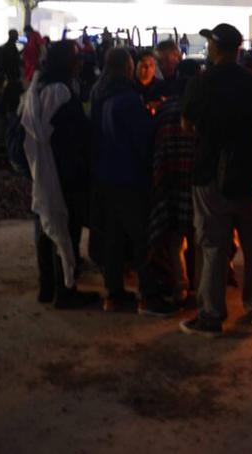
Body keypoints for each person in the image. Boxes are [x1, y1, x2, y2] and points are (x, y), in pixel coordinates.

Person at [180, 23, 252, 337]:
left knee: (213, 246)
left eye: (209, 44)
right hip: (249, 172)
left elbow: (187, 124)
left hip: (211, 174)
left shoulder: (202, 83)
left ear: (216, 48)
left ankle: (211, 314)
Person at [89, 48, 174, 316]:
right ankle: (149, 296)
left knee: (114, 237)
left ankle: (114, 294)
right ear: (126, 68)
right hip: (129, 178)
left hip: (106, 176)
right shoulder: (126, 99)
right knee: (142, 238)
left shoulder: (100, 94)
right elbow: (143, 138)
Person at [20, 41, 99, 309]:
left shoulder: (36, 89)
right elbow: (74, 137)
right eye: (75, 59)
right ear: (67, 63)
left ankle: (47, 287)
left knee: (45, 228)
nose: (79, 64)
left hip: (41, 170)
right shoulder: (61, 93)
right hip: (64, 175)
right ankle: (65, 290)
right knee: (65, 231)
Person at [147, 63, 199, 307]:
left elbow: (156, 144)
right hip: (200, 180)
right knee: (202, 238)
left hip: (171, 178)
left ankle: (180, 288)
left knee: (175, 238)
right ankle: (203, 290)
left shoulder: (166, 109)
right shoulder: (204, 107)